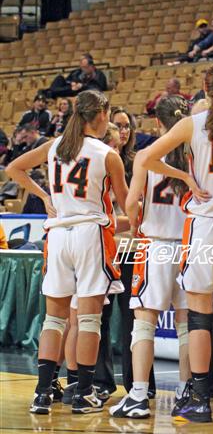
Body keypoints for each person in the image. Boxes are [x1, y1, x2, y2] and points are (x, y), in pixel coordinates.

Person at [138, 62, 213, 423]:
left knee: (199, 315)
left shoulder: (193, 124)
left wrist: (187, 178)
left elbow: (146, 158)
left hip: (207, 225)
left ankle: (200, 399)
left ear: (206, 90)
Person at [6, 90, 128, 415]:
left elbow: (14, 168)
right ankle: (84, 393)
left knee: (54, 319)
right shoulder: (107, 154)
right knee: (88, 320)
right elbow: (126, 201)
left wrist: (45, 196)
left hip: (58, 234)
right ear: (100, 115)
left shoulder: (54, 146)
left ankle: (42, 394)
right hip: (90, 234)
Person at [110, 96, 191, 419]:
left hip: (155, 244)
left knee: (144, 324)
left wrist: (137, 221)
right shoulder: (195, 154)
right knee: (187, 326)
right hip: (188, 246)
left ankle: (139, 395)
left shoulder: (147, 154)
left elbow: (131, 205)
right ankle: (186, 392)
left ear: (158, 122)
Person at [40, 54, 108, 99]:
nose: (82, 69)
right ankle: (52, 91)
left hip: (82, 92)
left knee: (60, 91)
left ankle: (51, 92)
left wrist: (82, 86)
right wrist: (72, 83)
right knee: (59, 78)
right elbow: (67, 80)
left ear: (91, 66)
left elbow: (98, 88)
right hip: (70, 89)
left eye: (85, 67)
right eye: (81, 66)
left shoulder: (99, 74)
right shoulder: (77, 72)